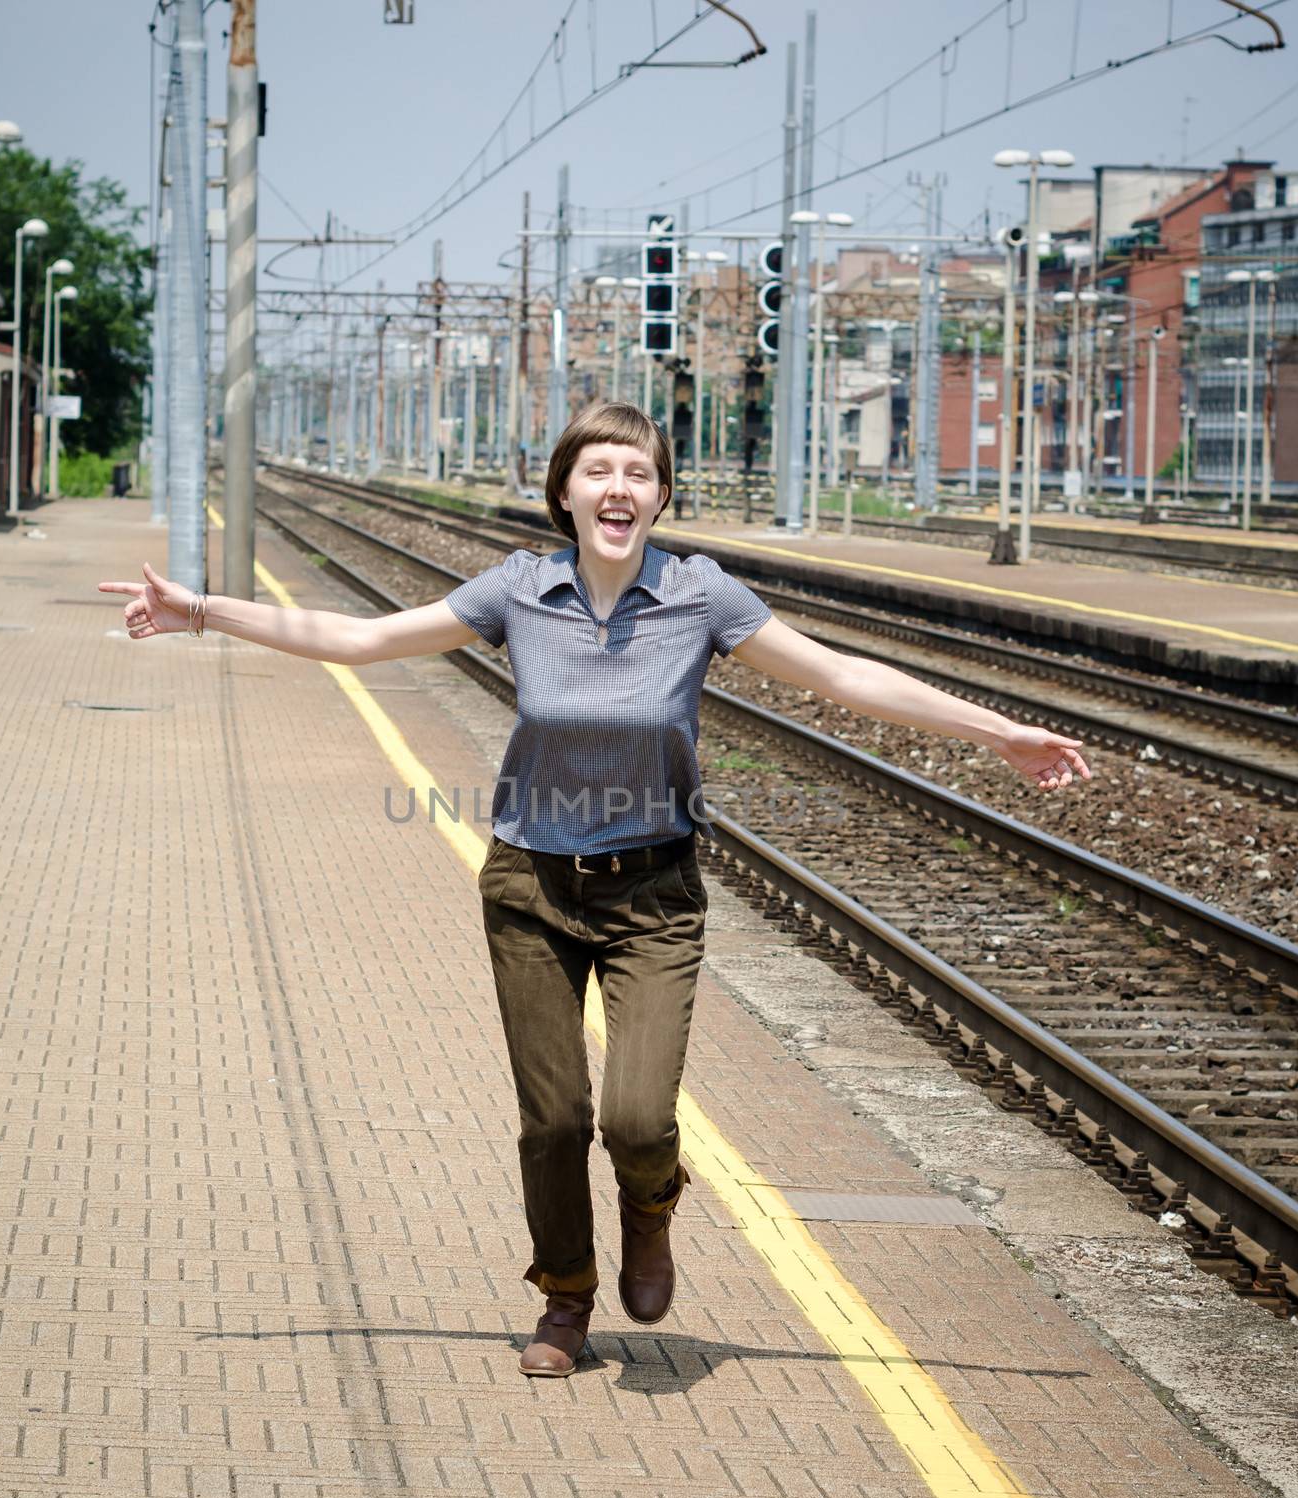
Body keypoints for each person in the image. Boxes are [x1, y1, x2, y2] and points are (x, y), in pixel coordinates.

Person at [100, 401, 1090, 1379]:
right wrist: (201, 610)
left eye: (639, 473)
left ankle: (650, 1210)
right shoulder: (517, 591)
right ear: (565, 491)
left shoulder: (700, 596)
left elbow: (841, 676)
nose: (619, 488)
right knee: (554, 1118)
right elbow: (359, 639)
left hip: (653, 893)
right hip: (530, 885)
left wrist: (999, 734)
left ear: (659, 496)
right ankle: (566, 1295)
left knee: (634, 1119)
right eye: (599, 470)